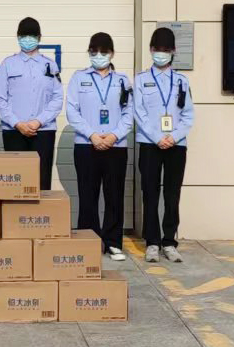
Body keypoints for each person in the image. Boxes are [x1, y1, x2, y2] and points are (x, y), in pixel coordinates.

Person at [66, 32, 133, 262]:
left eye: (104, 52)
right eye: (94, 52)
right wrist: (93, 135)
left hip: (116, 146)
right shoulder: (79, 78)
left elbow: (129, 113)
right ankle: (90, 240)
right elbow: (72, 111)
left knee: (114, 196)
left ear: (112, 53)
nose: (98, 56)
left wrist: (113, 136)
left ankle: (113, 242)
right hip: (86, 145)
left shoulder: (122, 80)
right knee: (88, 195)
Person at [135, 26, 194, 263]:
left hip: (176, 145)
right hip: (150, 143)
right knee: (150, 192)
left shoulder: (181, 81)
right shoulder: (141, 80)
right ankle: (152, 242)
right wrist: (157, 137)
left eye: (166, 50)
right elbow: (139, 112)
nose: (161, 54)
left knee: (172, 193)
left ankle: (169, 241)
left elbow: (188, 115)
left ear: (173, 51)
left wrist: (174, 136)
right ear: (151, 50)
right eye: (158, 49)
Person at [0, 16, 62, 190]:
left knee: (42, 182)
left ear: (39, 38)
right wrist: (17, 123)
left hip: (43, 131)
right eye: (24, 35)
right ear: (18, 37)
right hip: (14, 131)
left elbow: (57, 99)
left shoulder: (50, 65)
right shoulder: (8, 64)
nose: (27, 39)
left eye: (32, 35)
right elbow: (0, 100)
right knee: (15, 183)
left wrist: (38, 121)